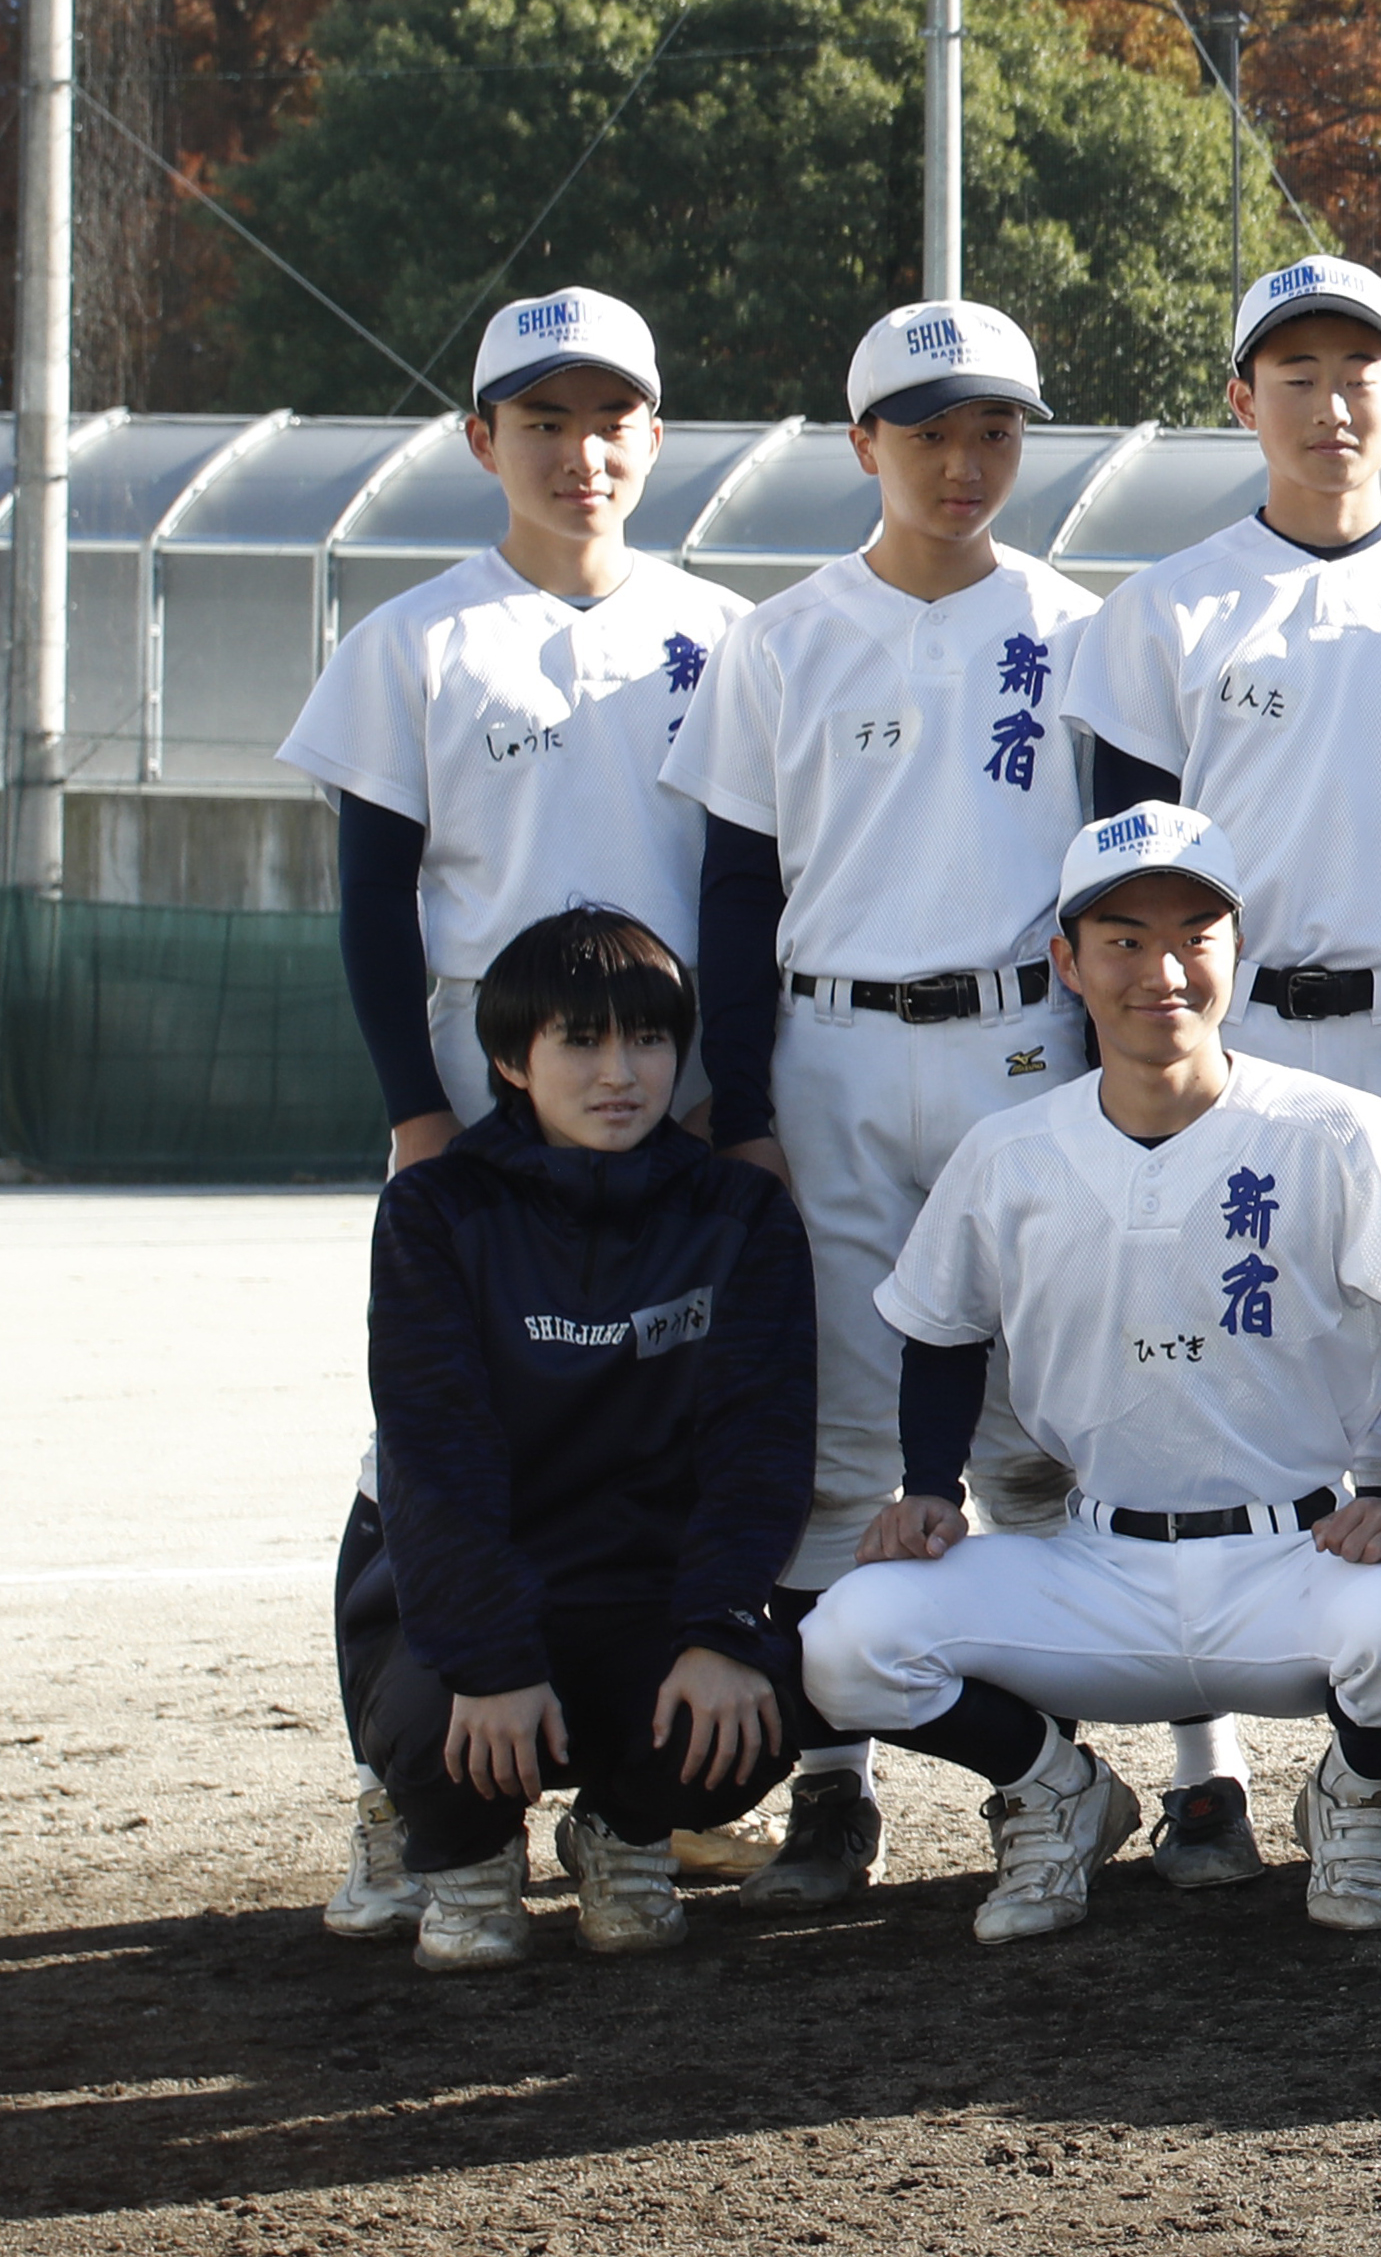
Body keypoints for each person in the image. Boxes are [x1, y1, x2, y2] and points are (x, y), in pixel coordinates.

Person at [796, 803, 1381, 1942]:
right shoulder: (1011, 1150)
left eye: (1196, 932)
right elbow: (941, 1328)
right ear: (1067, 962)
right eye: (1123, 937)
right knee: (846, 1643)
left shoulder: (1330, 1129)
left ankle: (1352, 1789)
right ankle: (1057, 1788)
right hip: (1095, 1566)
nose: (1162, 967)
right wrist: (925, 1487)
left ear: (1236, 951)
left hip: (1288, 1559)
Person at [280, 285, 746, 1937]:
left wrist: (736, 1105)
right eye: (542, 420)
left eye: (609, 417)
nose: (580, 450)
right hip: (483, 1131)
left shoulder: (722, 635)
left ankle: (645, 1788)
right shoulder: (414, 639)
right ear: (483, 440)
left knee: (657, 1430)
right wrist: (418, 1121)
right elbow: (370, 907)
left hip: (667, 1127)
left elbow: (751, 894)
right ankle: (401, 1790)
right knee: (420, 1445)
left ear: (656, 437)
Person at [1075, 254, 1381, 1869]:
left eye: (1360, 371)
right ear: (1241, 397)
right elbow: (1117, 883)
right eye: (1294, 370)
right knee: (1194, 1373)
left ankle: (1370, 1763)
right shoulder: (1171, 606)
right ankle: (1202, 1773)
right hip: (1220, 1037)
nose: (1330, 402)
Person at [660, 299, 1094, 1910]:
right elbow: (733, 882)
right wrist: (746, 1103)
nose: (965, 460)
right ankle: (834, 1785)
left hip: (1020, 1046)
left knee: (1040, 1423)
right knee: (845, 1423)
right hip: (836, 1047)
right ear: (865, 445)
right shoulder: (782, 637)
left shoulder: (1076, 626)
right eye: (928, 430)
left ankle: (1071, 1760)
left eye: (993, 429)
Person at [349, 909, 818, 1971]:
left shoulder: (739, 1212)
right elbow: (437, 1455)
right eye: (581, 1041)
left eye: (648, 1040)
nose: (622, 1072)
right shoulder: (436, 1210)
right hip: (485, 1600)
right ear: (513, 1059)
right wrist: (492, 1659)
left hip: (644, 1595)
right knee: (433, 1714)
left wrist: (719, 1627)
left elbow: (760, 1444)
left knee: (763, 1694)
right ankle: (463, 1856)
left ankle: (624, 1829)